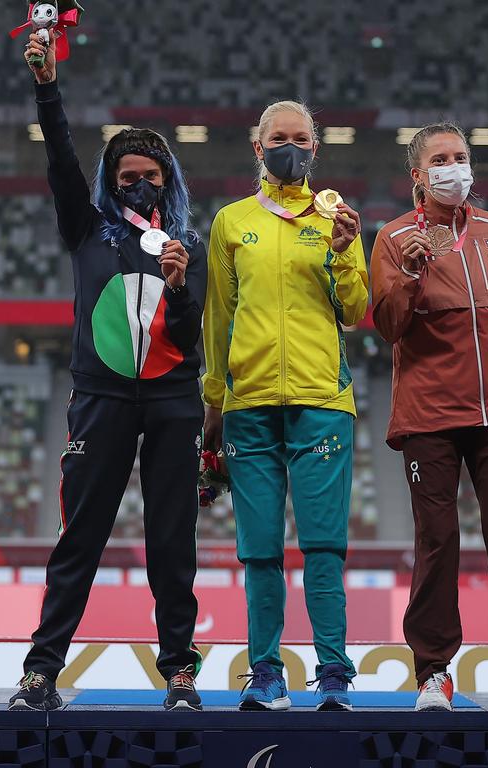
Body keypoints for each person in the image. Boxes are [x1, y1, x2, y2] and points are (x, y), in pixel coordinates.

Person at [9, 31, 207, 712]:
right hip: (100, 399)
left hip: (174, 400)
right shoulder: (87, 228)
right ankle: (41, 673)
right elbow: (61, 161)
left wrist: (180, 288)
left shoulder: (189, 245)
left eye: (151, 175)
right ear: (110, 182)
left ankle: (181, 672)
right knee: (81, 538)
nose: (141, 184)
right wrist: (47, 87)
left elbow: (191, 342)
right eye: (128, 177)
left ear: (169, 180)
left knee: (171, 541)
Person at [370, 122, 488, 712]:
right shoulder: (394, 238)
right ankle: (433, 674)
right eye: (441, 159)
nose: (454, 168)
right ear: (418, 176)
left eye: (461, 157)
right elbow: (388, 326)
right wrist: (410, 273)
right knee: (437, 543)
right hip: (429, 415)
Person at [202, 101, 369, 712]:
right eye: (279, 138)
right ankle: (266, 675)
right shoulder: (230, 222)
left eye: (300, 139)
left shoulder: (336, 219)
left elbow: (355, 309)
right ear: (258, 147)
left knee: (324, 547)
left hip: (322, 400)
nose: (289, 148)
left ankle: (333, 675)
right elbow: (219, 317)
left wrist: (348, 250)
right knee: (261, 550)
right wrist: (213, 405)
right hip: (247, 405)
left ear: (315, 150)